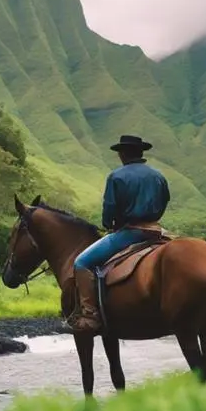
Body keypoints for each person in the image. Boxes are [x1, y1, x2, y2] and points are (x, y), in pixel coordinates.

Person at [66, 135, 171, 333]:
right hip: (157, 231)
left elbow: (110, 208)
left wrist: (109, 224)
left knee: (81, 263)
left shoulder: (117, 176)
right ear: (141, 153)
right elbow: (165, 200)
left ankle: (90, 314)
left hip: (130, 232)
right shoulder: (158, 176)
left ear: (123, 154)